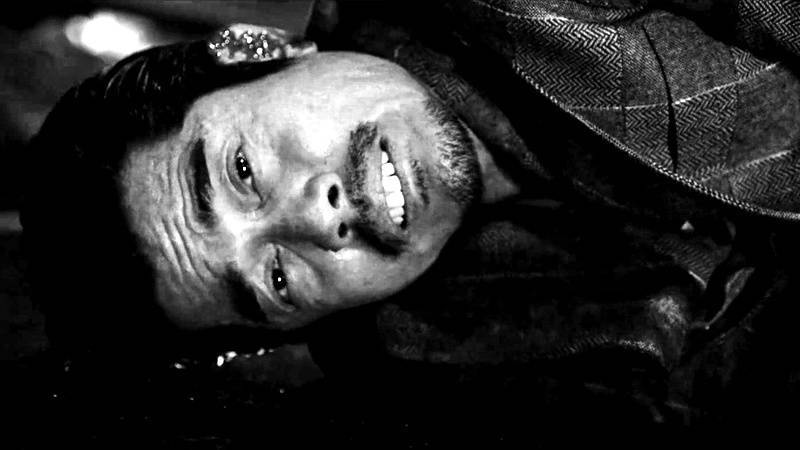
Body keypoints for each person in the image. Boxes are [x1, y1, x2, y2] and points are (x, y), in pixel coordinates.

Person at [21, 0, 800, 427]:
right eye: (278, 279)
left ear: (255, 48)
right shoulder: (465, 379)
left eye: (243, 172)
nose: (316, 219)